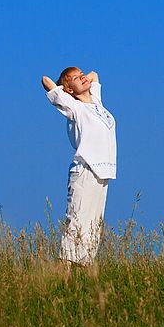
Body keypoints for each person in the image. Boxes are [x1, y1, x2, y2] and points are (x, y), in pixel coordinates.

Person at [41, 67, 117, 268]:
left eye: (81, 74)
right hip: (85, 170)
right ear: (68, 90)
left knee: (93, 228)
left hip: (103, 172)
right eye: (76, 78)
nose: (83, 77)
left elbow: (95, 74)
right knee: (76, 223)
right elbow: (45, 80)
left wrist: (80, 79)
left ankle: (82, 275)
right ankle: (62, 274)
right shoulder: (74, 108)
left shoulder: (96, 101)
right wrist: (65, 89)